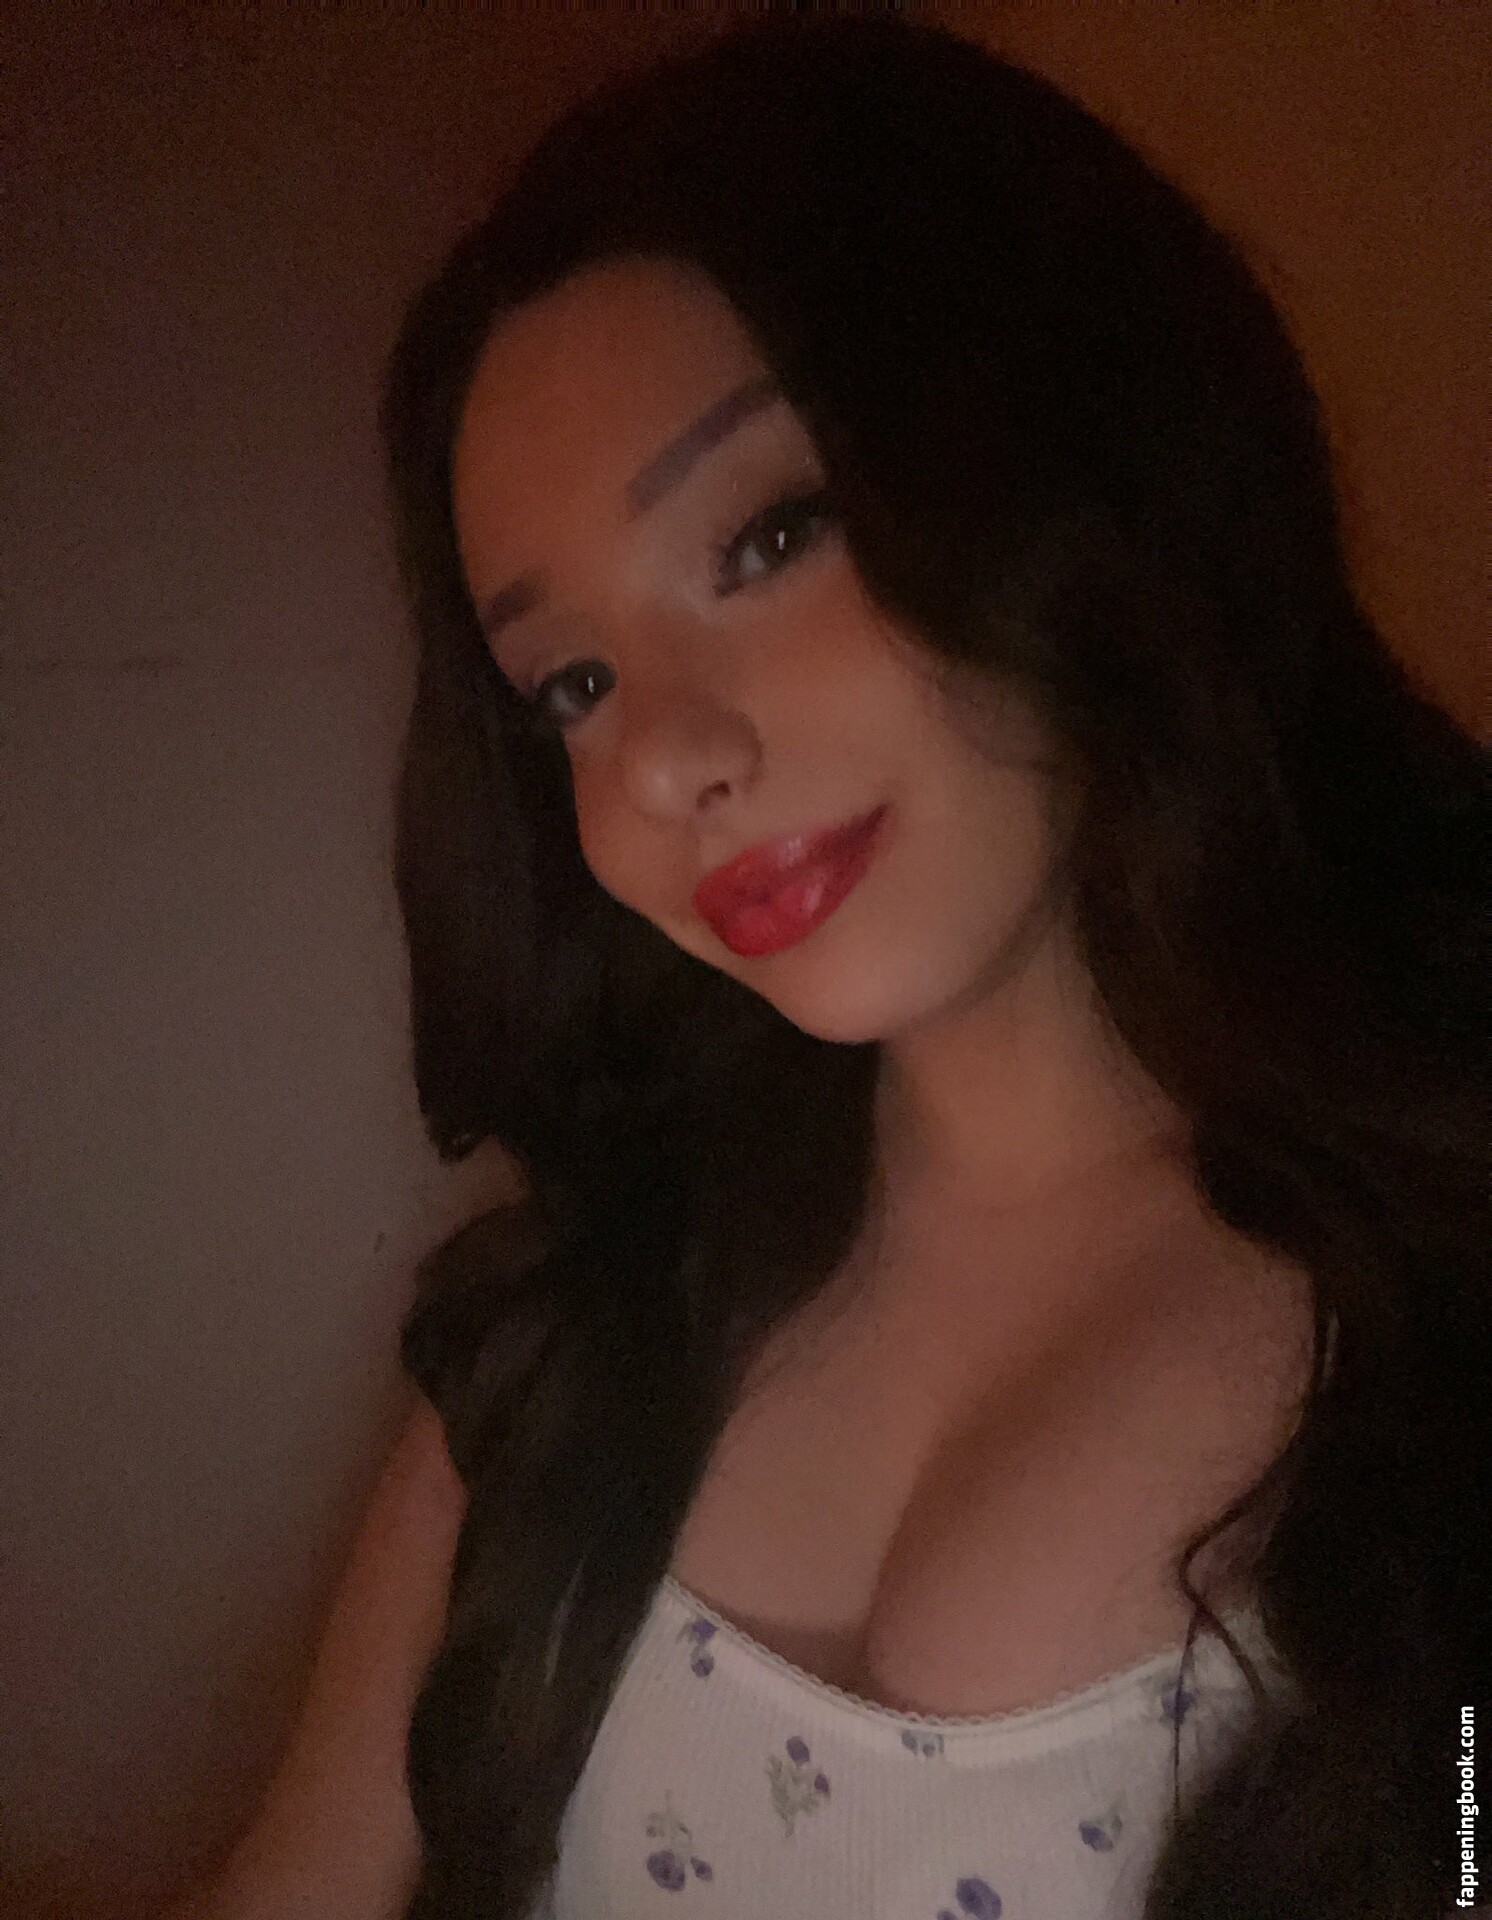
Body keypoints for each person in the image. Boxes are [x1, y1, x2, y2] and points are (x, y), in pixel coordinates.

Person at [174, 15, 1489, 1920]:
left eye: (772, 537)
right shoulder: (586, 1326)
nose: (662, 758)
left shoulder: (1438, 1317)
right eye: (571, 682)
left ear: (1075, 457)